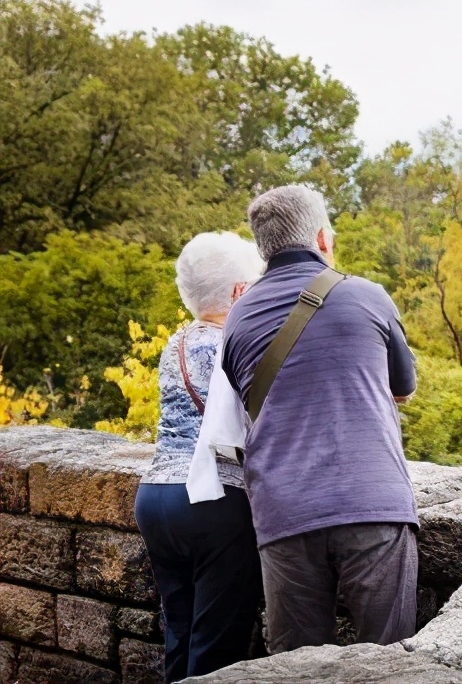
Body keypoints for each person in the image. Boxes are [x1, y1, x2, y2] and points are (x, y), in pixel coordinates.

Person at [200, 184, 419, 654]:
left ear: (263, 248)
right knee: (390, 663)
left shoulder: (236, 318)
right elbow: (403, 390)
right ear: (323, 238)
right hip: (373, 503)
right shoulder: (368, 296)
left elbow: (251, 402)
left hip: (284, 511)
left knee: (295, 668)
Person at [133, 232, 265, 683]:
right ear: (238, 292)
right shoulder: (233, 343)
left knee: (182, 636)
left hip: (155, 498)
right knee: (215, 652)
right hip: (212, 499)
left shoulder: (177, 343)